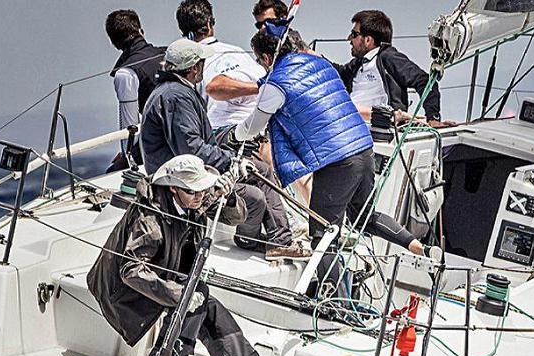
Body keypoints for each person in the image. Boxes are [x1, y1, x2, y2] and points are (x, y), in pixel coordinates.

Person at [236, 29, 442, 296]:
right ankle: (418, 246)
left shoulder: (275, 83)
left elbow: (254, 127)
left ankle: (337, 304)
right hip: (363, 149)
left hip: (336, 162)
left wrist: (234, 133)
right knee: (364, 217)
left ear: (266, 57)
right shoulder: (321, 65)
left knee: (322, 233)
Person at [86, 154, 288, 356]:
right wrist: (178, 294)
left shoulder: (193, 198)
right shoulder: (150, 221)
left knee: (205, 303)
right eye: (194, 191)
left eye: (202, 189)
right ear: (173, 188)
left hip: (160, 274)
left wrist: (231, 196)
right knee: (194, 296)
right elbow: (131, 271)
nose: (200, 195)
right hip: (123, 293)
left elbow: (235, 217)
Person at [142, 37, 309, 260]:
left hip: (193, 168)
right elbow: (191, 148)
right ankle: (249, 239)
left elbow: (194, 142)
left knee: (262, 170)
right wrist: (230, 161)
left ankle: (280, 240)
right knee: (254, 197)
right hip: (182, 180)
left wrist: (228, 150)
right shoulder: (176, 97)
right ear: (194, 68)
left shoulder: (174, 90)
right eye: (201, 62)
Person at [333, 10, 455, 128]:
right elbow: (337, 73)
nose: (349, 38)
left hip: (378, 130)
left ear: (368, 40)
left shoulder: (388, 57)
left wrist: (433, 118)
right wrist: (315, 56)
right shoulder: (358, 64)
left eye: (354, 34)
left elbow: (424, 81)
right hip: (351, 125)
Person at [104, 10, 165, 170]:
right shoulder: (168, 53)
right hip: (190, 131)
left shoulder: (125, 73)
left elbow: (129, 127)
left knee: (111, 171)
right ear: (141, 32)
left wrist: (127, 155)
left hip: (160, 140)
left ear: (113, 43)